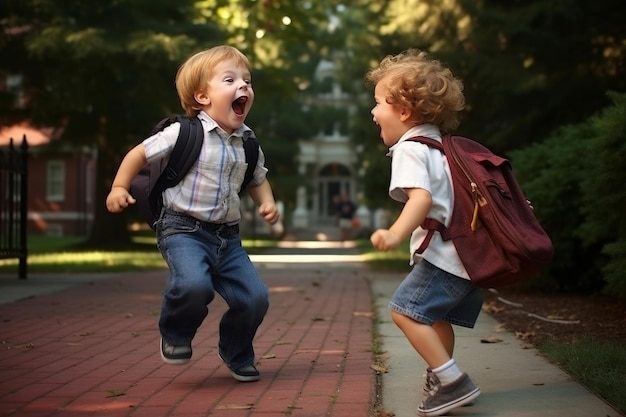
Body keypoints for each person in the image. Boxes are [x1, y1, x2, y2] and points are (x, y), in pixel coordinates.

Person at [106, 45, 279, 383]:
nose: (243, 86)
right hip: (182, 229)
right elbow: (137, 155)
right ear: (202, 96)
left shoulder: (247, 141)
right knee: (193, 285)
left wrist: (267, 202)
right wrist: (118, 187)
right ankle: (175, 332)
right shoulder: (183, 132)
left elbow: (258, 178)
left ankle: (236, 352)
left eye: (248, 80)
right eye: (230, 80)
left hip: (228, 238)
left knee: (255, 297)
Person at [366, 49, 483, 416]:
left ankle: (453, 380)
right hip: (464, 259)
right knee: (434, 318)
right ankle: (441, 380)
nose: (373, 112)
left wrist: (395, 233)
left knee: (404, 312)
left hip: (442, 259)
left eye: (378, 103)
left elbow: (420, 199)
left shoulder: (410, 149)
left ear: (402, 111)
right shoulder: (442, 147)